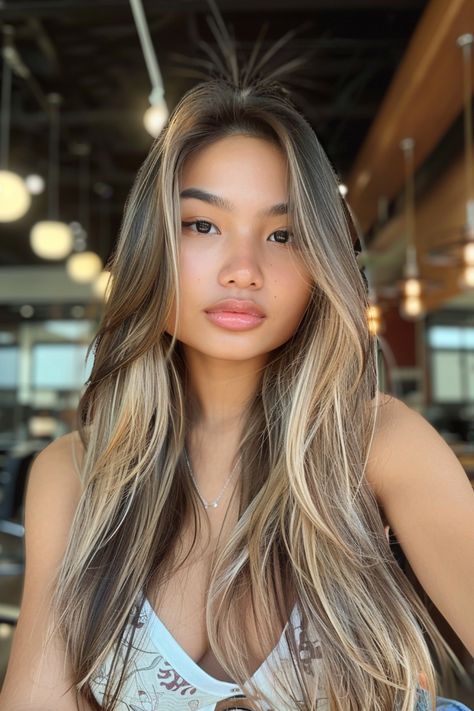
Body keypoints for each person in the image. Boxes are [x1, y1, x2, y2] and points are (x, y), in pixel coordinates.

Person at [1, 73, 473, 711]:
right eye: (201, 225)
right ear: (152, 249)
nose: (243, 270)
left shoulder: (374, 443)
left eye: (282, 235)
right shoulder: (77, 473)